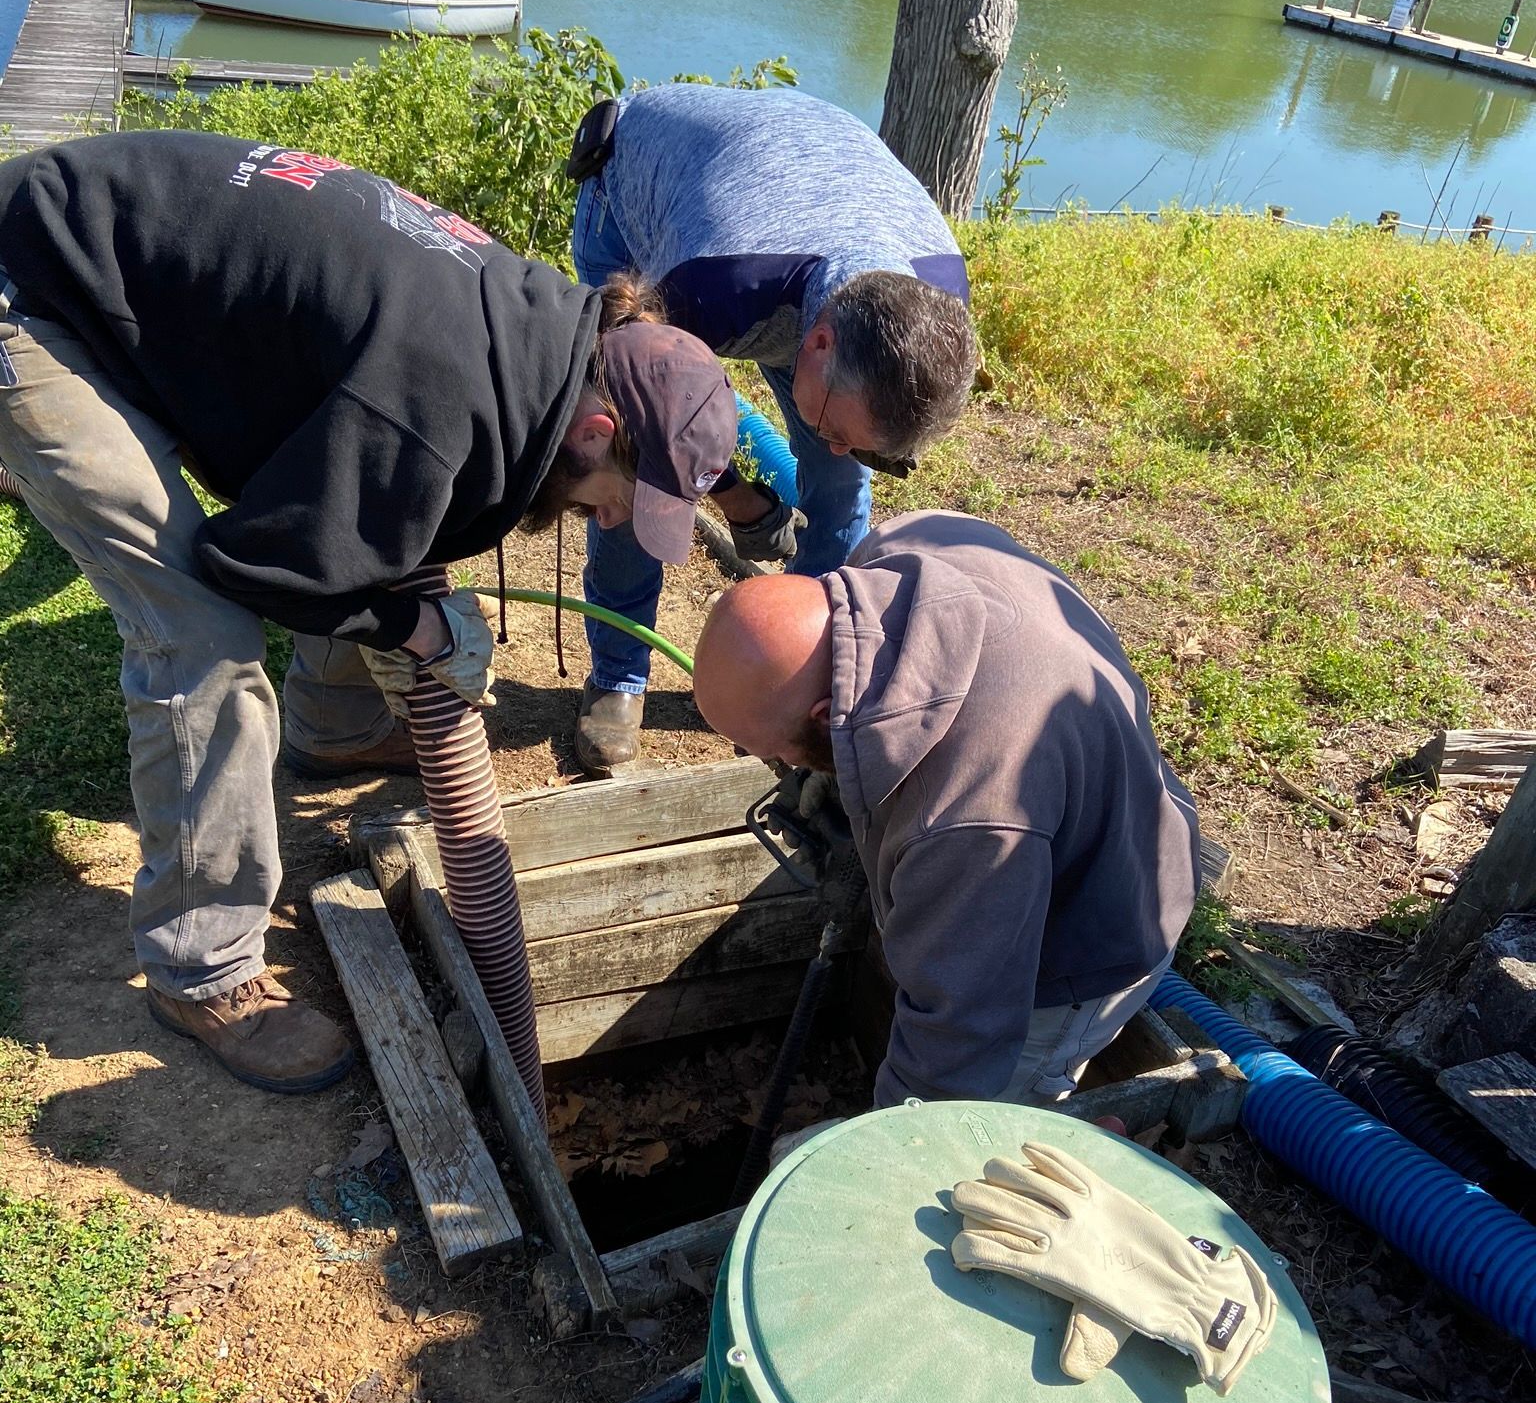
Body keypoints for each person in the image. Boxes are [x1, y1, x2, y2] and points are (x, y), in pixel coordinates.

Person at [0, 132, 737, 1094]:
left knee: (377, 531)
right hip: (38, 298)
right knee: (201, 636)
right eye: (621, 498)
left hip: (123, 269)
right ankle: (200, 963)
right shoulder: (437, 398)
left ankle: (336, 728)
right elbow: (263, 567)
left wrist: (399, 598)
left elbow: (368, 505)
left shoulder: (546, 335)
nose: (612, 522)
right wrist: (410, 629)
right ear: (598, 428)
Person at [692, 511, 1202, 1110]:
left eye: (773, 751)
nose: (776, 764)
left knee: (989, 1129)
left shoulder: (966, 813)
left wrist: (896, 1148)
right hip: (1094, 794)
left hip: (1089, 937)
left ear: (824, 713)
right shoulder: (898, 548)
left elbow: (958, 1045)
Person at [567, 82, 978, 773]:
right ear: (818, 346)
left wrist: (831, 448)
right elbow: (653, 434)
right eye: (839, 425)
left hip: (811, 203)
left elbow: (849, 438)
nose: (840, 443)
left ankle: (799, 675)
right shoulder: (713, 281)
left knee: (841, 488)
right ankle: (618, 674)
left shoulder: (939, 291)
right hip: (636, 186)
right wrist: (733, 495)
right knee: (636, 480)